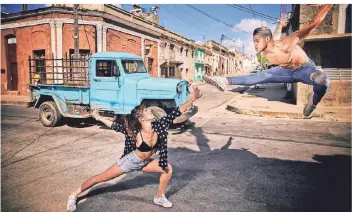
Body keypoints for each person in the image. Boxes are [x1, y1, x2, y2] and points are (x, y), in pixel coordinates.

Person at [66, 86, 202, 211]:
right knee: (100, 178)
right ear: (141, 118)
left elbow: (178, 112)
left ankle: (159, 197)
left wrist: (193, 98)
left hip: (145, 163)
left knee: (168, 169)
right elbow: (115, 126)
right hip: (130, 161)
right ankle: (73, 195)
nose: (150, 110)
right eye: (146, 110)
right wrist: (98, 117)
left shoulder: (159, 125)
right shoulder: (134, 132)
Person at [203, 4, 333, 117]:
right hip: (285, 71)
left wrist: (328, 5)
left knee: (323, 80)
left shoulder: (286, 43)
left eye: (257, 41)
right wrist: (279, 25)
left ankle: (313, 102)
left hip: (305, 69)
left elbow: (313, 25)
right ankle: (224, 80)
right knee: (260, 76)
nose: (254, 45)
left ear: (266, 40)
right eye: (254, 42)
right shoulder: (265, 50)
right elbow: (275, 34)